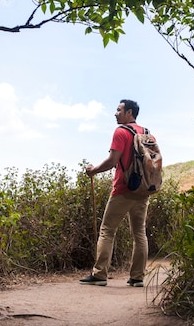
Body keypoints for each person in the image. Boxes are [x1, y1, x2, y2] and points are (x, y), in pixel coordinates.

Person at [79, 99, 150, 287]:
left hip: (123, 189)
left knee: (107, 230)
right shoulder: (147, 133)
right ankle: (137, 277)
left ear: (129, 113)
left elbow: (112, 161)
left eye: (119, 110)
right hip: (143, 190)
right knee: (139, 233)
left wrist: (93, 170)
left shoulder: (121, 132)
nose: (115, 113)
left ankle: (99, 274)